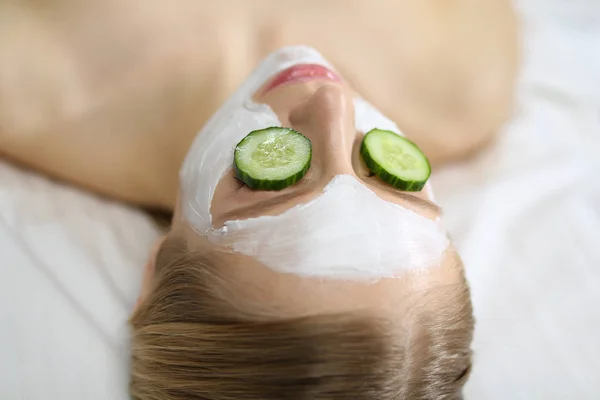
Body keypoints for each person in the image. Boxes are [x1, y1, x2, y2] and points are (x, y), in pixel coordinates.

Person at [0, 1, 518, 399]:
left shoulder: (26, 80)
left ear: (154, 274)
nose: (334, 103)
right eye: (394, 181)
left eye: (280, 182)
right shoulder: (466, 78)